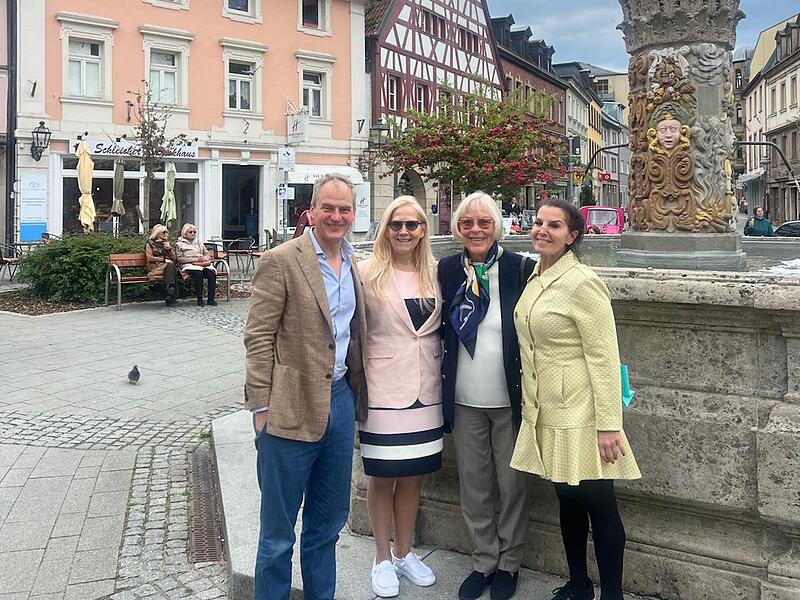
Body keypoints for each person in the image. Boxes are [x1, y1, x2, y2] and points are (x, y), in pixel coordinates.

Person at [244, 173, 368, 600]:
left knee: (327, 526)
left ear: (353, 213)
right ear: (311, 211)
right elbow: (259, 336)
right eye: (328, 208)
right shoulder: (282, 259)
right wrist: (261, 406)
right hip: (288, 406)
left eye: (345, 209)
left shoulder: (354, 262)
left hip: (338, 402)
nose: (336, 216)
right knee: (278, 535)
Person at [511, 199, 641, 600]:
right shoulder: (534, 276)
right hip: (547, 409)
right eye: (537, 223)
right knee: (567, 500)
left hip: (583, 412)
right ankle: (579, 584)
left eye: (554, 225)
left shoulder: (582, 281)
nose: (542, 230)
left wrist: (608, 425)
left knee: (600, 504)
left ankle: (612, 595)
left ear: (572, 235)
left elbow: (604, 357)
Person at [438, 191, 534, 600]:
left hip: (508, 398)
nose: (475, 229)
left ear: (497, 226)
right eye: (467, 223)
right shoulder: (446, 269)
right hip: (464, 397)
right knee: (473, 485)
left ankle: (510, 564)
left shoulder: (519, 268)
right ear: (458, 228)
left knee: (512, 485)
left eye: (483, 222)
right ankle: (484, 560)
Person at [358, 196, 443, 598]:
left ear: (423, 229)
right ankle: (381, 557)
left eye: (412, 224)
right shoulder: (366, 272)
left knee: (412, 474)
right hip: (382, 388)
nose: (404, 232)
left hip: (426, 391)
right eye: (396, 225)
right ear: (385, 229)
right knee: (382, 475)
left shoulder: (435, 272)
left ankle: (405, 552)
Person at [175, 223, 218, 307]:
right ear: (185, 233)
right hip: (189, 265)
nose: (193, 234)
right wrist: (194, 259)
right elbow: (179, 259)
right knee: (198, 274)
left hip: (202, 264)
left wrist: (204, 258)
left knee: (211, 274)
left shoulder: (199, 242)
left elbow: (207, 254)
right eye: (190, 232)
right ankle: (199, 299)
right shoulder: (179, 244)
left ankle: (211, 299)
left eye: (194, 232)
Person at [145, 224, 179, 306]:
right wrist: (164, 260)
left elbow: (174, 258)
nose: (166, 234)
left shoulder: (166, 244)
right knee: (171, 266)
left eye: (167, 232)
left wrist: (169, 249)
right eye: (163, 232)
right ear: (157, 233)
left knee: (171, 266)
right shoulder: (149, 244)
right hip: (155, 266)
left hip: (168, 268)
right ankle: (171, 294)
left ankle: (169, 291)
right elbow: (149, 258)